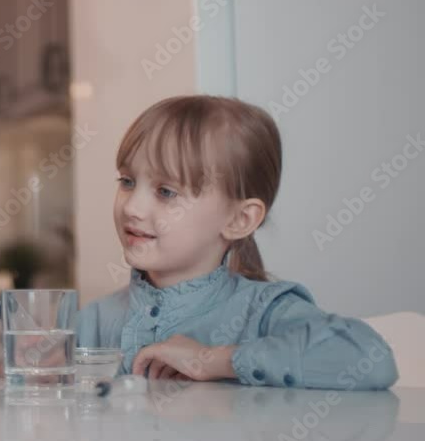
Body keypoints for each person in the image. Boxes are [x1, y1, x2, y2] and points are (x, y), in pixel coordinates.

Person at [76, 95, 398, 390]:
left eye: (166, 192)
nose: (132, 208)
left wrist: (213, 360)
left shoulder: (263, 312)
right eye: (128, 182)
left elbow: (370, 360)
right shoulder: (95, 320)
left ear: (239, 220)